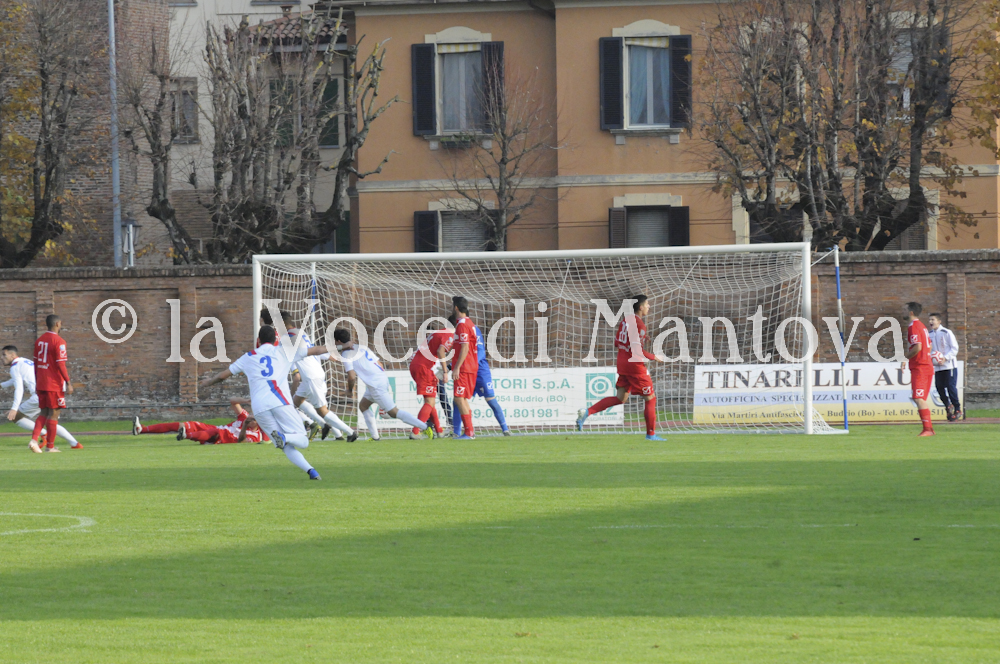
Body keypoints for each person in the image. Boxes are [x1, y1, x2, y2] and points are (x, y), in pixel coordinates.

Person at [199, 325, 327, 480]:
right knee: (303, 440)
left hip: (259, 408)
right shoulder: (284, 352)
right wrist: (341, 347)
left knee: (284, 446)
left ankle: (311, 471)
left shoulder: (248, 356)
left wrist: (208, 382)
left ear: (258, 340)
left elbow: (222, 376)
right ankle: (285, 437)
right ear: (275, 340)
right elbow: (317, 350)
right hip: (280, 402)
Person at [576, 295, 666, 440]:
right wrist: (654, 356)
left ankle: (587, 412)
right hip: (635, 367)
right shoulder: (640, 325)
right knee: (650, 398)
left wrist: (642, 339)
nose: (649, 306)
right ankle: (651, 434)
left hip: (622, 364)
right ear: (640, 307)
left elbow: (617, 342)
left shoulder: (626, 321)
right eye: (647, 304)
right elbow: (637, 350)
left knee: (620, 398)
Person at [334, 328, 434, 440]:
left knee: (394, 412)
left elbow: (352, 376)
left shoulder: (346, 354)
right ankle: (375, 437)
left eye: (335, 342)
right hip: (380, 378)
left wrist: (349, 390)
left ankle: (425, 426)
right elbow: (379, 363)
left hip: (375, 384)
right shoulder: (362, 347)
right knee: (363, 405)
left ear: (338, 341)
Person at [275, 310, 357, 442]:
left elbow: (276, 354)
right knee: (295, 402)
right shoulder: (300, 332)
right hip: (312, 373)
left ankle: (350, 432)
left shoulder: (286, 339)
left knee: (322, 411)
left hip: (310, 376)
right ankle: (326, 427)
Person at [1, 345, 81, 450]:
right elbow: (16, 380)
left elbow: (19, 388)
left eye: (4, 355)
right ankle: (75, 444)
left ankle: (43, 433)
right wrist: (1, 385)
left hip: (38, 396)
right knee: (51, 421)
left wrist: (14, 408)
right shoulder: (24, 361)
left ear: (12, 355)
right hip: (48, 393)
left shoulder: (15, 367)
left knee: (15, 417)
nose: (2, 358)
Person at [448, 308, 511, 437]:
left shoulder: (471, 328)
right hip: (467, 368)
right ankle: (456, 432)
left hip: (480, 370)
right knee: (458, 400)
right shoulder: (461, 330)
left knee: (490, 399)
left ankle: (505, 429)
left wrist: (465, 365)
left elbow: (480, 351)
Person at [132, 398, 269, 444]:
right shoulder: (244, 417)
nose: (250, 416)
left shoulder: (256, 435)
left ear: (258, 422)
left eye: (254, 417)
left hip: (223, 436)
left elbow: (242, 441)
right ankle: (141, 429)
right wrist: (247, 401)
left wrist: (244, 426)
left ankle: (186, 435)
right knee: (184, 424)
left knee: (215, 432)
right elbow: (233, 401)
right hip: (216, 428)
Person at [32, 314, 74, 453]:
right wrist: (68, 382)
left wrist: (37, 381)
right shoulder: (59, 341)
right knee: (54, 414)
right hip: (53, 383)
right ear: (57, 324)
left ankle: (33, 440)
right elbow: (61, 364)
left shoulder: (39, 341)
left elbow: (36, 364)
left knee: (43, 412)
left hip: (41, 382)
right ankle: (50, 447)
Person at [408, 320, 454, 438]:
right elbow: (440, 351)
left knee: (430, 400)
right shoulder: (448, 335)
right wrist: (445, 372)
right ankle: (415, 431)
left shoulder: (437, 333)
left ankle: (439, 430)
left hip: (418, 366)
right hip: (424, 368)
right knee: (430, 402)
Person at [904, 302, 935, 436]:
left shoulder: (913, 326)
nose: (902, 312)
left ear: (910, 312)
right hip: (926, 364)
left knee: (918, 398)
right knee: (920, 398)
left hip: (920, 366)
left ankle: (928, 429)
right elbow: (930, 345)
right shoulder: (922, 326)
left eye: (904, 309)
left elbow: (918, 347)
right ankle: (928, 429)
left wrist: (905, 358)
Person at [450, 297, 479, 439]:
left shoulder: (462, 325)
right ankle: (469, 431)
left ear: (456, 307)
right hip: (470, 365)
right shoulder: (469, 323)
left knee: (458, 398)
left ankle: (469, 432)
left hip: (465, 367)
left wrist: (456, 368)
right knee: (462, 398)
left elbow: (465, 347)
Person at [928, 313, 962, 421]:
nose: (931, 322)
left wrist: (945, 358)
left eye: (933, 319)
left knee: (950, 387)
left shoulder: (946, 332)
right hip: (937, 367)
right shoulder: (929, 334)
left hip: (949, 366)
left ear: (939, 321)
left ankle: (957, 408)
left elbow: (954, 348)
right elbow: (929, 349)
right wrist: (932, 358)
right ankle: (948, 405)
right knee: (939, 387)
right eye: (930, 320)